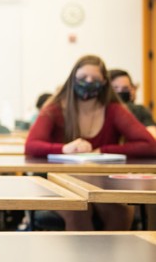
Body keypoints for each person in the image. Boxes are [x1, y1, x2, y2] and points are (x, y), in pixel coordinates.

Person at [25, 55, 156, 230]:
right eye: (82, 78)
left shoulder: (113, 110)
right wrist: (64, 149)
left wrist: (103, 149)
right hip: (56, 182)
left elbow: (150, 145)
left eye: (94, 79)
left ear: (104, 82)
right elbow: (31, 145)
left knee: (122, 212)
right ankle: (83, 258)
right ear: (72, 79)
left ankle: (114, 257)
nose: (88, 82)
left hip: (98, 182)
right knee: (78, 210)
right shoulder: (55, 108)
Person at [109, 69, 156, 139]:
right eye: (115, 88)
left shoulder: (140, 111)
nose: (120, 91)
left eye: (125, 88)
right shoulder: (101, 112)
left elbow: (152, 136)